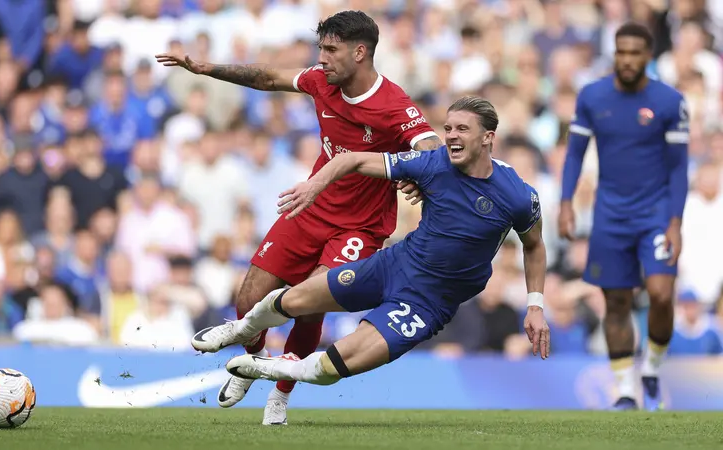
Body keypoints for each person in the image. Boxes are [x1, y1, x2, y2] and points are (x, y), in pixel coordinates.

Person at [156, 10, 442, 425]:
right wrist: (206, 69)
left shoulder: (393, 104)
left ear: (360, 52)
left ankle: (281, 395)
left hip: (360, 226)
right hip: (311, 206)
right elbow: (268, 77)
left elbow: (432, 147)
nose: (321, 59)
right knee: (247, 299)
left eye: (331, 50)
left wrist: (417, 174)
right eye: (320, 49)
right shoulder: (321, 82)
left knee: (309, 302)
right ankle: (254, 362)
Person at [191, 96, 550, 394]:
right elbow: (354, 159)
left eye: (462, 129)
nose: (451, 136)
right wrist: (314, 185)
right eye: (448, 128)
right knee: (295, 299)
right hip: (393, 265)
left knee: (329, 369)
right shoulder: (433, 163)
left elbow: (533, 246)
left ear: (488, 137)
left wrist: (535, 305)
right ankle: (240, 330)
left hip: (428, 302)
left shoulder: (518, 196)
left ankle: (265, 370)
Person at [558, 23, 689, 411]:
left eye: (635, 52)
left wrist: (676, 223)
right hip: (610, 214)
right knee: (615, 302)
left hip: (656, 213)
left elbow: (679, 168)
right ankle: (625, 390)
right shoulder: (593, 96)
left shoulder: (669, 101)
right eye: (621, 51)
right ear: (614, 53)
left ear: (648, 56)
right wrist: (566, 202)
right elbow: (575, 154)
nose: (627, 59)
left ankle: (652, 366)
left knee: (662, 295)